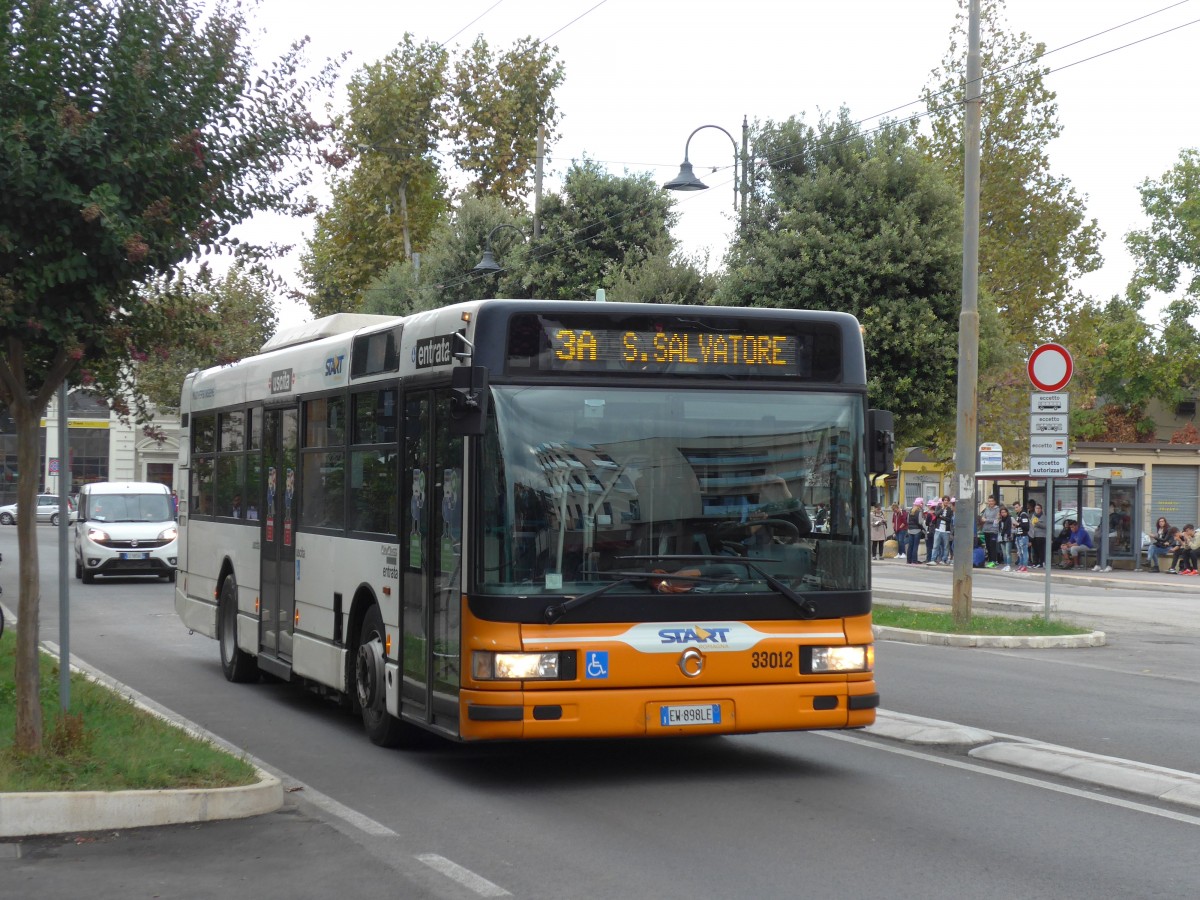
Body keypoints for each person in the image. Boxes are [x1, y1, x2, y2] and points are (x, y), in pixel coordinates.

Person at [930, 496, 953, 566]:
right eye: (944, 500)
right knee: (935, 545)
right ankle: (933, 559)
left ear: (948, 502)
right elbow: (936, 514)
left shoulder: (950, 510)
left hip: (946, 531)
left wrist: (941, 517)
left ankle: (944, 559)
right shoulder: (939, 507)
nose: (946, 501)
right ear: (942, 501)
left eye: (947, 500)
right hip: (938, 529)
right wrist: (942, 509)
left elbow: (949, 519)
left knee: (946, 546)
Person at [979, 496, 1000, 567]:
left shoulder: (997, 509)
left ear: (994, 502)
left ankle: (993, 561)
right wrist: (985, 519)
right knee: (988, 546)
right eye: (989, 501)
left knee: (992, 546)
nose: (990, 502)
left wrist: (987, 520)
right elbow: (982, 517)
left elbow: (996, 520)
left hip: (993, 530)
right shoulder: (987, 509)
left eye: (992, 501)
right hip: (986, 530)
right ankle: (990, 561)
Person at [905, 498, 925, 564]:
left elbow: (907, 521)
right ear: (920, 504)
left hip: (910, 530)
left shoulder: (910, 511)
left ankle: (908, 560)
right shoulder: (919, 512)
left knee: (910, 545)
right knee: (915, 546)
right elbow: (920, 522)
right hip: (917, 530)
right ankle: (914, 560)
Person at [1013, 501, 1031, 572]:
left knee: (1024, 551)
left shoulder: (1023, 515)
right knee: (1020, 552)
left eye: (1017, 507)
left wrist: (1018, 524)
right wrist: (1015, 525)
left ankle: (1024, 566)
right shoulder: (1018, 515)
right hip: (1018, 535)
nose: (1016, 509)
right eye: (1014, 508)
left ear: (1020, 506)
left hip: (1023, 536)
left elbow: (1026, 526)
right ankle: (1021, 565)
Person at [1030, 502, 1046, 568]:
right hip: (1034, 535)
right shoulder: (1033, 515)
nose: (1037, 510)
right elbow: (1031, 525)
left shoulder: (1044, 516)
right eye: (1036, 508)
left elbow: (1045, 526)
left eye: (1039, 508)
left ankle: (1041, 562)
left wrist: (1037, 523)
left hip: (1041, 536)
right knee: (1035, 550)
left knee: (1041, 550)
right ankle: (1035, 562)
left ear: (1041, 509)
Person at [997, 505, 1013, 571]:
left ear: (1007, 512)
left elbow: (1009, 528)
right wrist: (998, 518)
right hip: (1001, 537)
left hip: (1008, 536)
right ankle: (1006, 565)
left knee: (1007, 552)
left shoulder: (1010, 518)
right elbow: (996, 527)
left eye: (1004, 512)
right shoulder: (1000, 520)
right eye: (1002, 512)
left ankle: (1008, 565)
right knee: (1004, 552)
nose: (1003, 513)